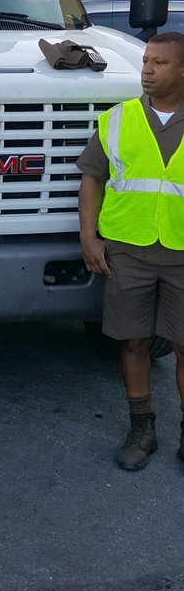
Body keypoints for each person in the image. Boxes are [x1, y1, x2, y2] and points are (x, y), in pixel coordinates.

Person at [78, 31, 184, 471]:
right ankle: (143, 428)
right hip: (127, 250)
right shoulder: (117, 119)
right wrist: (89, 236)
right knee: (133, 342)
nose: (146, 70)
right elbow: (92, 179)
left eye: (159, 63)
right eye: (146, 61)